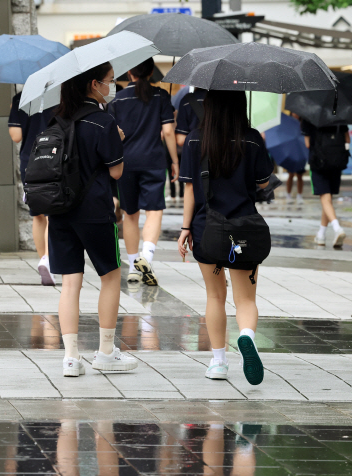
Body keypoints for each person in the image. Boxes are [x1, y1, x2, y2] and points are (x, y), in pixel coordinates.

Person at [177, 90, 272, 386]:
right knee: (246, 299)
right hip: (244, 229)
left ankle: (218, 362)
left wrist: (184, 229)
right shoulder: (253, 138)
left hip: (208, 229)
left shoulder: (195, 138)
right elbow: (264, 184)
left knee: (215, 296)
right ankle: (246, 336)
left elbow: (190, 189)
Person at [48, 61, 137, 377]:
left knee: (70, 283)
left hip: (59, 211)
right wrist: (118, 139)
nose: (112, 86)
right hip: (95, 211)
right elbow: (116, 170)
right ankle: (105, 352)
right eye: (110, 81)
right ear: (94, 84)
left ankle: (71, 358)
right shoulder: (103, 121)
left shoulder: (55, 118)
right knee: (110, 276)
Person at [108, 58, 178, 286]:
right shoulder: (161, 97)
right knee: (154, 211)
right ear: (151, 72)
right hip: (153, 161)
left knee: (130, 214)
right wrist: (175, 161)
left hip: (125, 163)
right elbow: (168, 131)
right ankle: (146, 257)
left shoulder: (117, 99)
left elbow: (114, 134)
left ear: (130, 72)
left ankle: (133, 268)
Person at [8, 92, 57, 285]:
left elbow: (16, 136)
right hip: (55, 158)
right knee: (52, 214)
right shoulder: (60, 95)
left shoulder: (21, 98)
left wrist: (14, 113)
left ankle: (43, 259)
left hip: (30, 161)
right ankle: (49, 261)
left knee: (38, 215)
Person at [301, 120, 347, 248]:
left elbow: (307, 144)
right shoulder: (339, 116)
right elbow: (347, 139)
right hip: (336, 162)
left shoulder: (309, 118)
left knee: (325, 198)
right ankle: (321, 235)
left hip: (318, 163)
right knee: (327, 200)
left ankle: (337, 228)